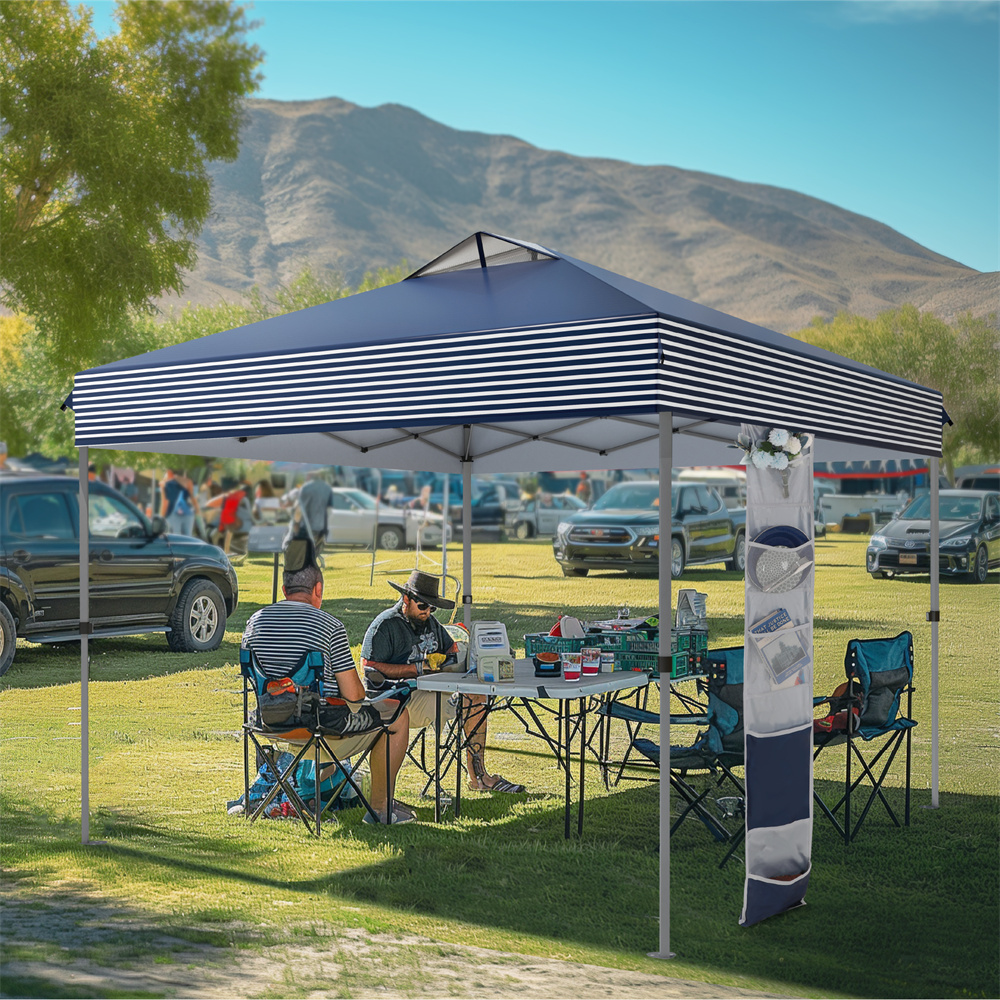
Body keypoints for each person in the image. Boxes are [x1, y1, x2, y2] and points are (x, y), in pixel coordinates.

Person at [242, 543, 414, 824]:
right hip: (319, 732)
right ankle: (382, 810)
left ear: (285, 591)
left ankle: (305, 791)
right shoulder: (329, 626)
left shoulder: (254, 622)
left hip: (268, 726)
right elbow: (355, 697)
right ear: (318, 589)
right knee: (397, 716)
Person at [361, 570, 527, 794]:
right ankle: (478, 777)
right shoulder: (385, 625)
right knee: (472, 700)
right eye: (423, 606)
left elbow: (451, 649)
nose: (428, 612)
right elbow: (369, 666)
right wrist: (416, 669)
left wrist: (454, 657)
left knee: (477, 696)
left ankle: (478, 775)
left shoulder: (430, 622)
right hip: (397, 699)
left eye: (432, 608)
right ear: (406, 599)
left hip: (431, 689)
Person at [288, 469, 335, 551]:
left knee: (304, 553)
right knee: (315, 551)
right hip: (322, 527)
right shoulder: (327, 488)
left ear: (309, 476)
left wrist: (295, 524)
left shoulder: (306, 488)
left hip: (306, 527)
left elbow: (299, 510)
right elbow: (329, 510)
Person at [161, 469, 199, 536]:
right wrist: (197, 511)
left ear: (169, 472)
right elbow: (193, 498)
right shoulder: (188, 483)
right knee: (188, 538)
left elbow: (165, 503)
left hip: (172, 515)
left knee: (175, 538)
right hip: (188, 514)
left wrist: (162, 518)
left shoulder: (167, 484)